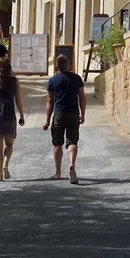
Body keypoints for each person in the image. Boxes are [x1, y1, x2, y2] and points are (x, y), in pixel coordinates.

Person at [45, 45, 86, 183]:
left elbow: (50, 102)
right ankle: (72, 165)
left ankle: (57, 173)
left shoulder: (52, 81)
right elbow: (82, 97)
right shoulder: (76, 79)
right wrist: (83, 114)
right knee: (72, 142)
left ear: (57, 66)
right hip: (74, 113)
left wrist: (47, 119)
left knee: (57, 144)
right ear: (68, 64)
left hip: (59, 114)